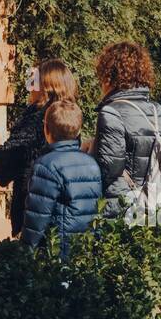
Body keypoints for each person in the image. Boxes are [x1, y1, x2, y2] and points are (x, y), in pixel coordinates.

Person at [0, 58, 78, 236]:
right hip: (68, 210)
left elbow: (5, 166)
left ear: (45, 87)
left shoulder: (35, 119)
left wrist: (0, 152)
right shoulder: (72, 115)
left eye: (34, 82)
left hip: (33, 208)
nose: (30, 87)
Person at [92, 42, 161, 218]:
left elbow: (109, 169)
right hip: (154, 203)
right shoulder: (156, 110)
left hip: (120, 206)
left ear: (109, 75)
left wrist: (91, 151)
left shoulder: (111, 112)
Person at [20, 99, 103, 254]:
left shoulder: (46, 166)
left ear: (46, 130)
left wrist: (24, 254)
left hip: (57, 252)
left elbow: (36, 218)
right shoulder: (91, 164)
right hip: (85, 251)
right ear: (78, 131)